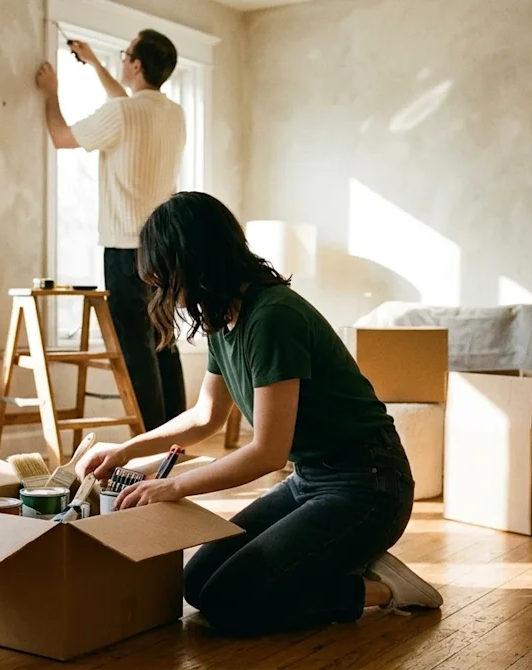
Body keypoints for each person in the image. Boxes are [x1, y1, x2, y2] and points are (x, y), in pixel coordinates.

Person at [76, 192, 443, 636]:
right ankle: (335, 558)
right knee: (197, 583)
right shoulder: (220, 318)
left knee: (233, 602)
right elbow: (205, 416)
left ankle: (383, 588)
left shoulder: (273, 317)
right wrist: (126, 451)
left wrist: (170, 486)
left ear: (195, 261)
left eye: (165, 275)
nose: (162, 291)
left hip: (368, 484)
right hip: (310, 479)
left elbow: (267, 452)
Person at [35, 30, 187, 430]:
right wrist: (97, 64)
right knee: (163, 344)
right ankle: (176, 439)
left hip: (125, 250)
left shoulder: (122, 113)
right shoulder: (174, 113)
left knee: (136, 352)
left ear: (136, 64)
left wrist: (51, 92)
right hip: (166, 249)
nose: (121, 60)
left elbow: (61, 137)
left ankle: (150, 445)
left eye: (124, 55)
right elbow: (128, 104)